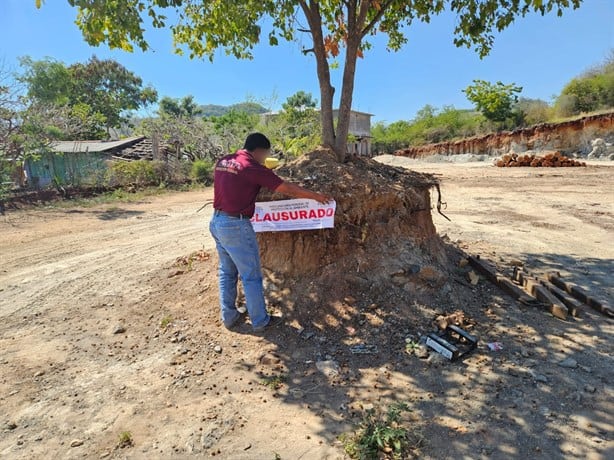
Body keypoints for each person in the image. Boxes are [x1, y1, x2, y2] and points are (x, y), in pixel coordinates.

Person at [209, 133, 331, 332]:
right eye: (265, 154)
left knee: (227, 271)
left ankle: (229, 317)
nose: (265, 158)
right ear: (259, 151)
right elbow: (286, 188)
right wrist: (315, 196)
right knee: (251, 276)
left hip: (217, 221)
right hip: (236, 225)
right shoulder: (252, 167)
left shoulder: (224, 161)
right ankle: (260, 321)